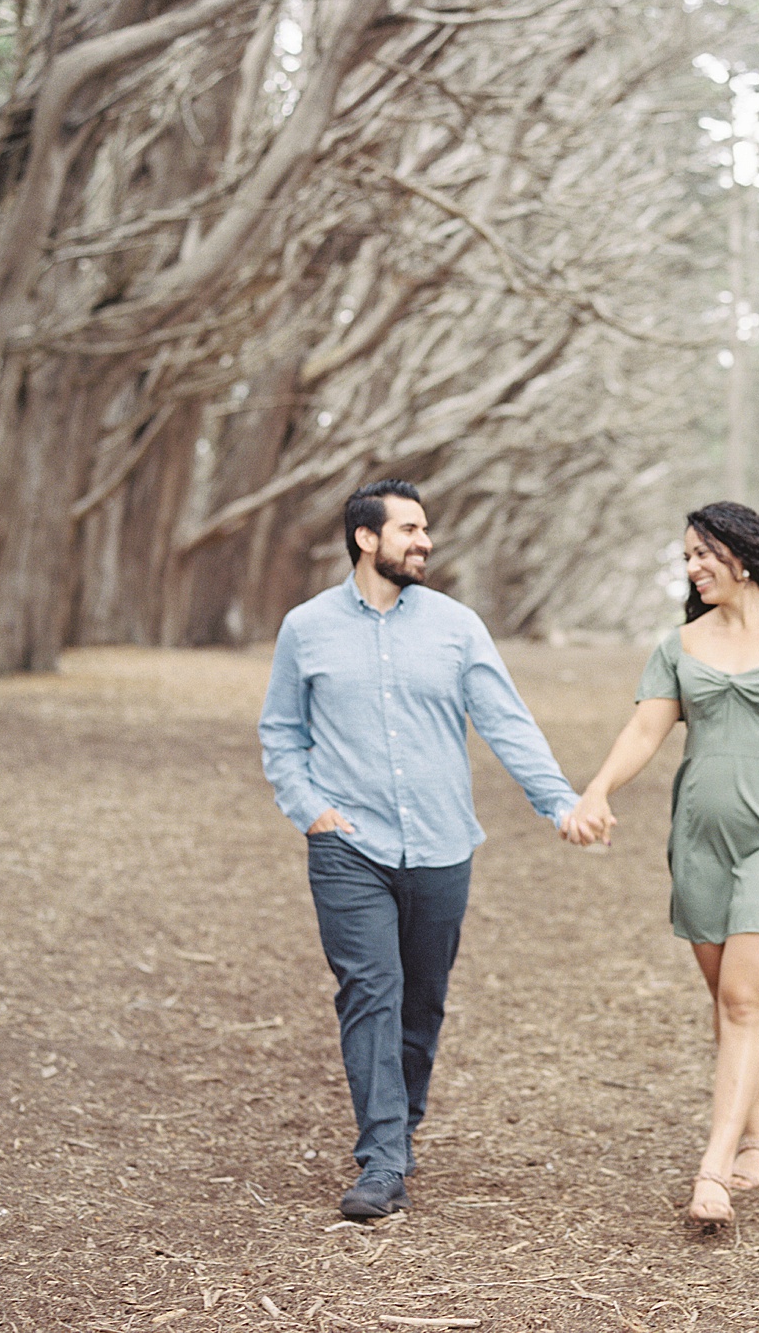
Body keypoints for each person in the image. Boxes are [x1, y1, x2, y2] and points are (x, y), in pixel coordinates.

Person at [259, 479, 587, 1220]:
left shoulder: (456, 626)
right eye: (409, 528)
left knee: (422, 1000)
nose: (424, 540)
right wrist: (310, 809)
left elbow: (507, 720)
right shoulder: (306, 628)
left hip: (441, 845)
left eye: (426, 528)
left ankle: (400, 1125)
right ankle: (382, 1157)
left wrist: (558, 800)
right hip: (349, 847)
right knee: (370, 990)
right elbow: (281, 730)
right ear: (365, 538)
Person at [563, 501, 759, 1226]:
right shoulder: (682, 644)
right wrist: (599, 789)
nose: (694, 568)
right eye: (687, 558)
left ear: (745, 552)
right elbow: (646, 727)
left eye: (704, 553)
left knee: (742, 997)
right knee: (729, 998)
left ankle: (712, 1172)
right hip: (701, 839)